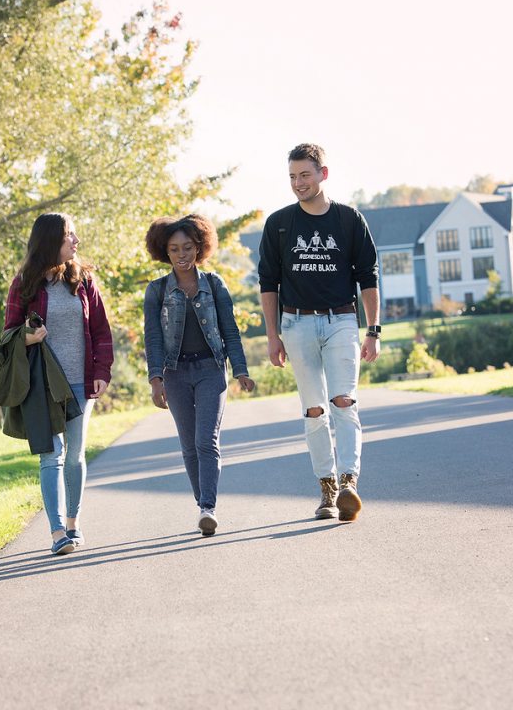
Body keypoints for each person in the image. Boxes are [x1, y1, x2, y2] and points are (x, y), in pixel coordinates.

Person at [257, 143, 381, 522]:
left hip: (342, 320)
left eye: (305, 175)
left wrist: (373, 330)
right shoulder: (279, 224)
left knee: (344, 402)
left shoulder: (348, 219)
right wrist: (273, 334)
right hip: (296, 324)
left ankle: (349, 483)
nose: (298, 183)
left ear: (323, 174)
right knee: (314, 411)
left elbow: (368, 277)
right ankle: (327, 489)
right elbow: (268, 283)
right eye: (292, 176)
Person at [4, 213, 113, 554]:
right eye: (69, 235)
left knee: (75, 457)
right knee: (51, 455)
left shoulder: (82, 280)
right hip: (43, 386)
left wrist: (102, 371)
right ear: (51, 240)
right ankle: (56, 534)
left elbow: (100, 330)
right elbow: (7, 337)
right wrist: (28, 336)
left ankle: (73, 524)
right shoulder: (24, 284)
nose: (76, 241)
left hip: (80, 383)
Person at [143, 214, 255, 536]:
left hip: (210, 369)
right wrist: (156, 380)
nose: (181, 254)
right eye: (174, 249)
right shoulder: (156, 291)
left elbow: (229, 330)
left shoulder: (214, 284)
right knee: (189, 446)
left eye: (188, 247)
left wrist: (241, 369)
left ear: (199, 247)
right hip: (175, 373)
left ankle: (208, 507)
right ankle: (202, 503)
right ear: (165, 251)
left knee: (206, 440)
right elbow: (152, 337)